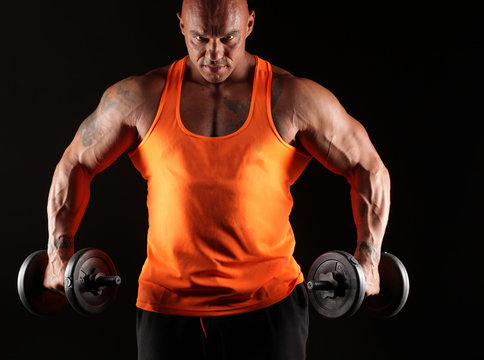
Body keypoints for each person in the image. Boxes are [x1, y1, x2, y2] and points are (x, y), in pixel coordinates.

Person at [43, 0, 390, 358]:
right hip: (166, 310)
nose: (214, 53)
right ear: (180, 25)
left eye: (229, 38)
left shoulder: (290, 98)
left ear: (250, 24)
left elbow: (367, 166)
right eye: (199, 38)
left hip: (269, 308)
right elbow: (75, 163)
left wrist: (369, 259)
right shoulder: (141, 98)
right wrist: (58, 256)